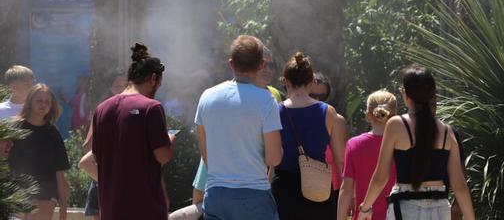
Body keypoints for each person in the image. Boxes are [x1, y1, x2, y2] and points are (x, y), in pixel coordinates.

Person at [171, 46, 282, 220]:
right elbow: (273, 159)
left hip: (216, 196)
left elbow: (206, 156)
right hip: (253, 197)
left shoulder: (207, 96)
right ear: (261, 65)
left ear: (231, 64)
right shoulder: (266, 100)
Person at [358, 65, 476, 220]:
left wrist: (365, 208)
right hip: (440, 209)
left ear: (405, 93)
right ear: (433, 95)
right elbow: (460, 186)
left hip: (405, 208)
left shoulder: (396, 125)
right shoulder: (447, 132)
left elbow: (381, 178)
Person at [91, 43, 174, 220]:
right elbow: (163, 156)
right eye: (159, 83)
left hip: (111, 209)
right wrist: (169, 140)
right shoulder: (152, 108)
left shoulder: (101, 109)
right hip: (145, 209)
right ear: (153, 79)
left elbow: (97, 157)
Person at [273, 54, 345, 220]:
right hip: (318, 188)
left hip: (284, 188)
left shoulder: (276, 111)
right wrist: (346, 193)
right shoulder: (328, 112)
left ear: (285, 81)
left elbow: (273, 158)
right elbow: (340, 159)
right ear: (312, 81)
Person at [8, 84, 70, 220]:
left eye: (47, 102)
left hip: (45, 195)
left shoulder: (53, 134)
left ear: (51, 106)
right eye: (39, 100)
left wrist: (63, 213)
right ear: (30, 101)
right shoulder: (13, 128)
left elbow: (60, 173)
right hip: (15, 194)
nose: (43, 105)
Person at [337, 90, 398, 220]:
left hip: (364, 216)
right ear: (394, 116)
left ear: (368, 115)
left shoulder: (354, 144)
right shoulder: (402, 145)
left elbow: (346, 190)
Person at [81, 71, 128, 219]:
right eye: (117, 86)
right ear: (111, 89)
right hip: (104, 178)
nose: (121, 89)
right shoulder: (102, 112)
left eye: (125, 86)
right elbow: (87, 147)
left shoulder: (138, 111)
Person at [312, 71, 348, 207]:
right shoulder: (294, 116)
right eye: (312, 95)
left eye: (322, 97)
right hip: (302, 186)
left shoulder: (336, 120)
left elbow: (342, 161)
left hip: (331, 189)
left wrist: (348, 193)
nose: (317, 100)